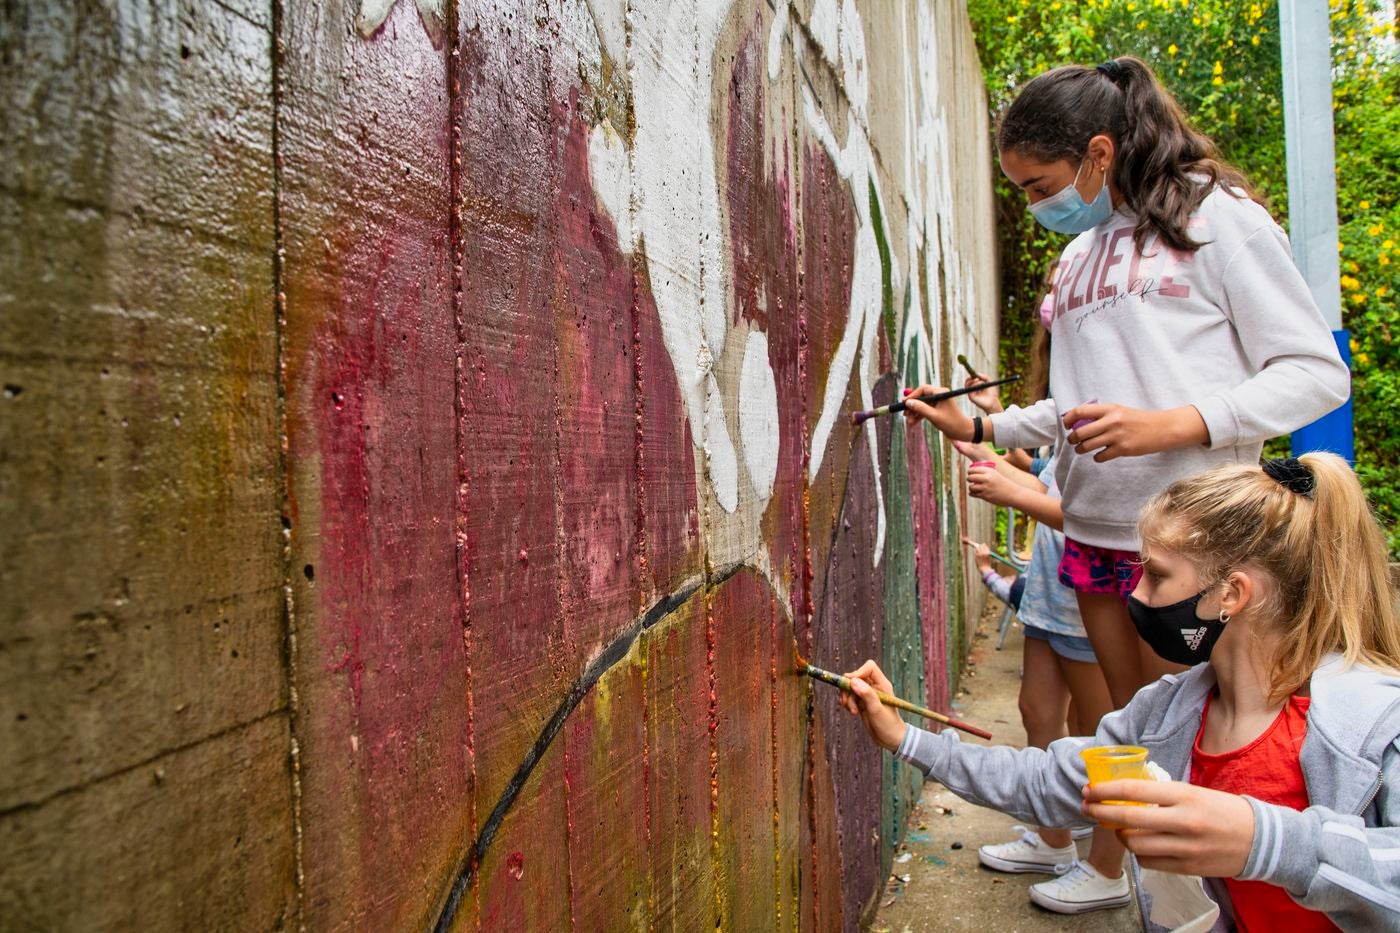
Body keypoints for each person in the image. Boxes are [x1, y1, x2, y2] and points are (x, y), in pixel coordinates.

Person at [903, 56, 1350, 714]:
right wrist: (978, 427)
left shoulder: (1217, 217)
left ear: (1099, 153)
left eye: (1039, 185)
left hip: (1191, 541)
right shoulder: (1079, 254)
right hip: (1092, 537)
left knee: (1195, 743)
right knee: (1134, 736)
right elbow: (1076, 408)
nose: (1033, 205)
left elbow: (1316, 374)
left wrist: (1171, 424)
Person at [843, 454, 1400, 929]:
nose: (1135, 592)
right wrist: (905, 738)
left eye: (1156, 575)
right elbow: (1046, 780)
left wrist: (1269, 844)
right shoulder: (1167, 712)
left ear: (1231, 594)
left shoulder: (1374, 719)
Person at [960, 447, 1121, 911]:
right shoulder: (1075, 420)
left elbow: (1096, 519)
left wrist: (1007, 490)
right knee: (1037, 711)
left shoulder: (1113, 413)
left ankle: (1107, 871)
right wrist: (977, 449)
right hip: (1051, 596)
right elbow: (1048, 486)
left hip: (1085, 603)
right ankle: (1053, 840)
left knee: (1102, 737)